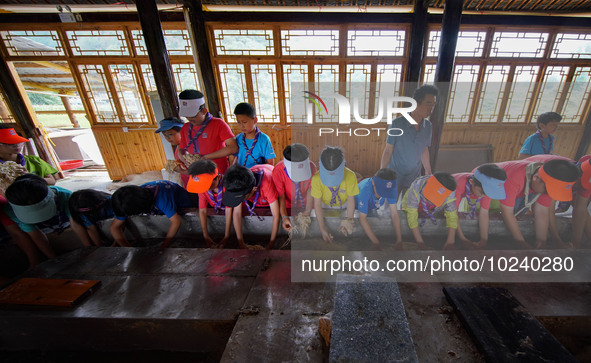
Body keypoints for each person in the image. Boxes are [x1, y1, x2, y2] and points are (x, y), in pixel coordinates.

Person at [496, 159, 579, 249]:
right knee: (497, 213)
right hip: (492, 189)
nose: (548, 195)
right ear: (536, 178)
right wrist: (522, 243)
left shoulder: (548, 180)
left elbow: (542, 212)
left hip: (519, 189)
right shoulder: (515, 177)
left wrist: (541, 241)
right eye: (548, 191)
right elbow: (507, 213)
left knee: (518, 213)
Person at [525, 154, 591, 248]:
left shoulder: (586, 179)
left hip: (541, 180)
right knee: (536, 208)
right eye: (580, 185)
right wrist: (557, 240)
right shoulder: (560, 177)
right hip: (533, 177)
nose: (581, 189)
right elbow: (549, 210)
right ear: (578, 177)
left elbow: (581, 209)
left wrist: (576, 244)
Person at [3, 174, 76, 259]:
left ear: (52, 194)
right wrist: (53, 259)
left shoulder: (65, 196)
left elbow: (75, 222)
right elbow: (35, 234)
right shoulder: (11, 209)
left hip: (59, 216)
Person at [380, 85, 437, 191]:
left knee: (409, 205)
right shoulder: (397, 124)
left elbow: (424, 149)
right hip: (394, 174)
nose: (431, 109)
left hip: (413, 176)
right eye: (428, 104)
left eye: (433, 105)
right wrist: (382, 173)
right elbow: (388, 150)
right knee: (389, 205)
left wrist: (428, 171)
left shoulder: (428, 126)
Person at [110, 180, 199, 248]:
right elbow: (114, 227)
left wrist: (164, 246)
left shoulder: (162, 199)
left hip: (184, 200)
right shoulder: (129, 199)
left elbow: (176, 222)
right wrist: (128, 248)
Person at [178, 90, 238, 174]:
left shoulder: (218, 124)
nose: (189, 118)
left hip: (217, 173)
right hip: (196, 173)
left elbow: (233, 148)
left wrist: (205, 157)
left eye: (193, 115)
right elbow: (181, 150)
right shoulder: (186, 127)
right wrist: (183, 159)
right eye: (187, 115)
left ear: (204, 111)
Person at [222, 164, 279, 249]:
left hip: (268, 195)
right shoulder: (238, 182)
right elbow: (237, 213)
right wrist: (241, 242)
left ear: (254, 189)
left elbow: (276, 215)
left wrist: (270, 244)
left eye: (241, 198)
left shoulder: (267, 184)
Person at [311, 146, 360, 244]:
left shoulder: (350, 176)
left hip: (345, 205)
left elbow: (351, 200)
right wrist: (322, 229)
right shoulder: (316, 179)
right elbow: (317, 204)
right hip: (325, 205)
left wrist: (348, 220)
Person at [453, 164, 507, 249]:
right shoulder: (457, 184)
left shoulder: (485, 189)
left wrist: (484, 240)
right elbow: (452, 213)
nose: (483, 196)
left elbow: (484, 213)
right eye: (481, 192)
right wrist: (462, 239)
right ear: (471, 182)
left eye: (487, 194)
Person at [402, 172, 457, 250]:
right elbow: (412, 215)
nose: (431, 200)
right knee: (409, 214)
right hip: (414, 202)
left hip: (431, 207)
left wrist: (450, 242)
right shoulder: (417, 185)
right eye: (431, 195)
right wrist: (420, 243)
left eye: (436, 197)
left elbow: (452, 216)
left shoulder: (449, 192)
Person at [186, 159, 232, 248]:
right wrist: (206, 236)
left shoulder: (228, 186)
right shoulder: (202, 189)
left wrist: (226, 236)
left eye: (208, 185)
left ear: (217, 178)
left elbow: (229, 211)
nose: (205, 189)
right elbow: (202, 211)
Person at [272, 144, 316, 232]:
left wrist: (307, 212)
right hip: (287, 206)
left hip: (307, 204)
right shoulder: (278, 171)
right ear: (285, 164)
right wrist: (284, 217)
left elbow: (310, 190)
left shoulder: (312, 167)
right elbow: (281, 196)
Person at [355, 168, 402, 250]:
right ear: (373, 182)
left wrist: (399, 240)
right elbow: (362, 218)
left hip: (373, 205)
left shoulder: (391, 187)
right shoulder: (365, 190)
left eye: (387, 192)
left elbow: (394, 213)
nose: (385, 194)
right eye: (382, 191)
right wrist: (376, 242)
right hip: (357, 205)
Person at [233, 102, 275, 168]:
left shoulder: (264, 139)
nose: (241, 126)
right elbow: (237, 158)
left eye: (244, 122)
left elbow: (270, 163)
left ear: (255, 120)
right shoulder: (238, 138)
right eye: (238, 122)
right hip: (241, 175)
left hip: (258, 175)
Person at [155, 117, 189, 187]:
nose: (168, 138)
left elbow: (199, 171)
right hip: (187, 184)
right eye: (165, 135)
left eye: (170, 134)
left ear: (182, 131)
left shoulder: (189, 148)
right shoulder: (178, 146)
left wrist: (181, 171)